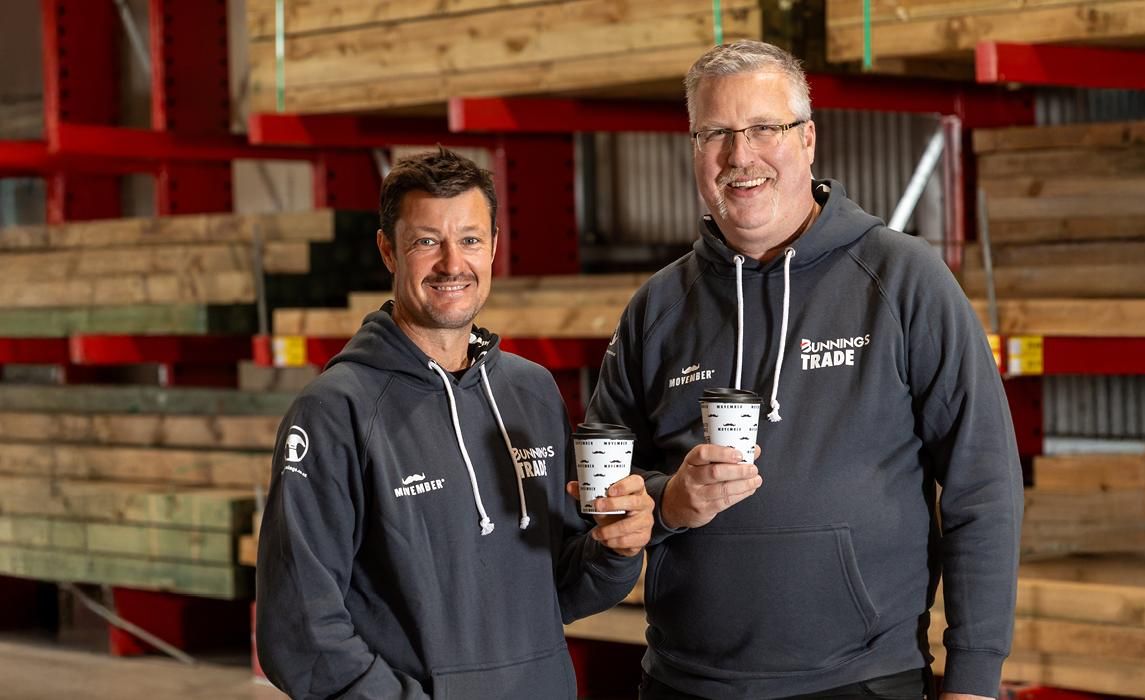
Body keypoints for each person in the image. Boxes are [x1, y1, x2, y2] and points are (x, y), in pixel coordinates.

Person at [587, 41, 1023, 700]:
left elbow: (982, 487)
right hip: (685, 683)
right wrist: (669, 500)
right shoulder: (658, 307)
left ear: (808, 139)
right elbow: (605, 490)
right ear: (694, 147)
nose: (740, 156)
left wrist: (973, 680)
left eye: (765, 128)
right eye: (716, 133)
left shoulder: (904, 280)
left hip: (861, 681)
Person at [257, 147, 654, 699]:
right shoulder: (334, 412)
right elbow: (299, 630)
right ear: (387, 251)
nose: (451, 264)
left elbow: (559, 588)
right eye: (426, 241)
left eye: (469, 239)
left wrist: (616, 549)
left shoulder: (533, 392)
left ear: (493, 246)